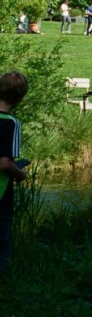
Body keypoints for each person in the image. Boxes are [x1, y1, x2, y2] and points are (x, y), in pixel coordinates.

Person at [0, 71, 29, 275]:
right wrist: (21, 174)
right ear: (21, 98)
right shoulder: (11, 123)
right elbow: (4, 164)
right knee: (2, 245)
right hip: (1, 195)